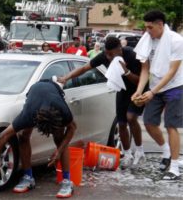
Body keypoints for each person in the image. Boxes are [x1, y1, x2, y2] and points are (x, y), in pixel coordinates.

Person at [59, 37, 146, 170]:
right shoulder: (105, 56)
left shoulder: (131, 55)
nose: (108, 57)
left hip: (138, 89)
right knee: (122, 123)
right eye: (107, 54)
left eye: (111, 54)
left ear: (119, 49)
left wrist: (126, 71)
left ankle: (140, 151)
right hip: (122, 89)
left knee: (131, 117)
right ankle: (127, 154)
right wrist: (66, 78)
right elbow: (84, 68)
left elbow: (140, 80)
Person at [0, 79, 76, 198]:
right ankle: (28, 177)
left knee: (59, 139)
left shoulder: (62, 110)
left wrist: (59, 151)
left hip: (53, 89)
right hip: (34, 91)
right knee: (23, 137)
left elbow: (72, 128)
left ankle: (67, 182)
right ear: (35, 122)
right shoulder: (28, 115)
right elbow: (2, 136)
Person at [131, 10, 183, 180]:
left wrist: (152, 92)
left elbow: (172, 72)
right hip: (156, 85)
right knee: (149, 122)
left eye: (150, 27)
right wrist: (139, 90)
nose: (147, 31)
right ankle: (166, 151)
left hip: (175, 85)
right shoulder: (147, 40)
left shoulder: (176, 40)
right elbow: (145, 69)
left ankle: (174, 167)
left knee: (170, 125)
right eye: (145, 27)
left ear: (160, 25)